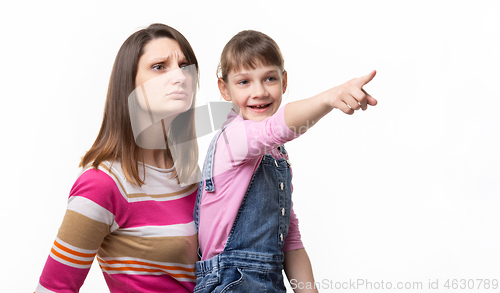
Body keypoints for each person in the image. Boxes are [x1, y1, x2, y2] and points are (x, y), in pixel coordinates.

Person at [193, 30, 377, 292]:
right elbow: (276, 127)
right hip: (230, 282)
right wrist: (329, 98)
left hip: (269, 282)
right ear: (225, 88)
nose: (259, 92)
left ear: (284, 81)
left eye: (269, 78)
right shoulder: (233, 138)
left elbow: (289, 237)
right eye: (244, 82)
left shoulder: (275, 154)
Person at [36, 23, 202, 292]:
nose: (180, 76)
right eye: (159, 66)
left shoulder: (192, 174)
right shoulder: (102, 184)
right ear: (129, 84)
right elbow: (53, 289)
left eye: (185, 66)